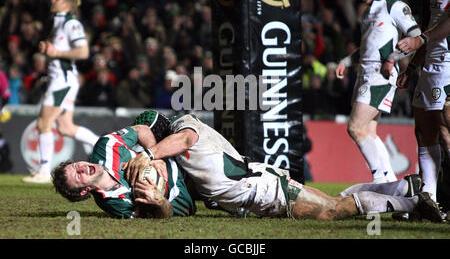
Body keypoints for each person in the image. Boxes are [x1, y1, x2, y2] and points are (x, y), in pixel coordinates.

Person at [124, 110, 444, 222]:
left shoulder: (184, 127)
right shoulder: (175, 157)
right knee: (335, 201)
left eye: (148, 140)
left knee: (334, 210)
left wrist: (151, 156)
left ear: (159, 130)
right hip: (259, 186)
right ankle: (402, 187)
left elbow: (186, 140)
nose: (146, 149)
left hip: (262, 190)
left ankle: (410, 201)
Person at [335, 0, 422, 183]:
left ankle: (379, 179)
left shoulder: (394, 6)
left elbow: (417, 37)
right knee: (370, 133)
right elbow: (367, 47)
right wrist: (346, 61)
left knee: (355, 128)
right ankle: (393, 184)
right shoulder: (367, 12)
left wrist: (393, 57)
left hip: (379, 75)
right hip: (365, 73)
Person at [22, 0, 99, 184]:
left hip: (62, 81)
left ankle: (44, 171)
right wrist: (49, 50)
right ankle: (103, 144)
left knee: (43, 122)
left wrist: (55, 53)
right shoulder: (58, 24)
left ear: (66, 4)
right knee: (66, 127)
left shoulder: (71, 23)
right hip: (62, 80)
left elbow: (82, 52)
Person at [51, 121, 196, 219]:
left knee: (151, 118)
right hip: (184, 197)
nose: (82, 168)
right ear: (85, 190)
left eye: (76, 166)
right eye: (78, 176)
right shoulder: (114, 203)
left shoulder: (105, 147)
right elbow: (162, 216)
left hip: (181, 159)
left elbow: (141, 130)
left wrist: (154, 157)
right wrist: (160, 203)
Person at [395, 0, 450, 205]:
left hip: (447, 64)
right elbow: (431, 25)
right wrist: (414, 67)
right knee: (424, 129)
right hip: (430, 66)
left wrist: (421, 40)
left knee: (444, 127)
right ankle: (428, 198)